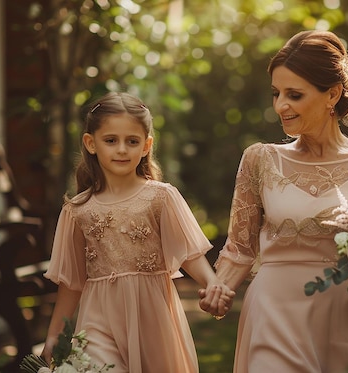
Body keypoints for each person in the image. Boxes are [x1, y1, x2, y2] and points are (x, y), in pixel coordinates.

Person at [199, 30, 348, 372]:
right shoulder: (260, 160)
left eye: (294, 95)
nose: (280, 105)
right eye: (276, 93)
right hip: (273, 313)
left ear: (332, 94)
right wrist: (219, 289)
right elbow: (240, 248)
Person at [41, 92, 235, 372]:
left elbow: (188, 253)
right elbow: (71, 283)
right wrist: (54, 334)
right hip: (98, 321)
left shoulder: (161, 197)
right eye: (111, 140)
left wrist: (211, 281)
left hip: (152, 318)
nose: (122, 149)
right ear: (90, 143)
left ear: (146, 146)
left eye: (131, 141)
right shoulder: (77, 211)